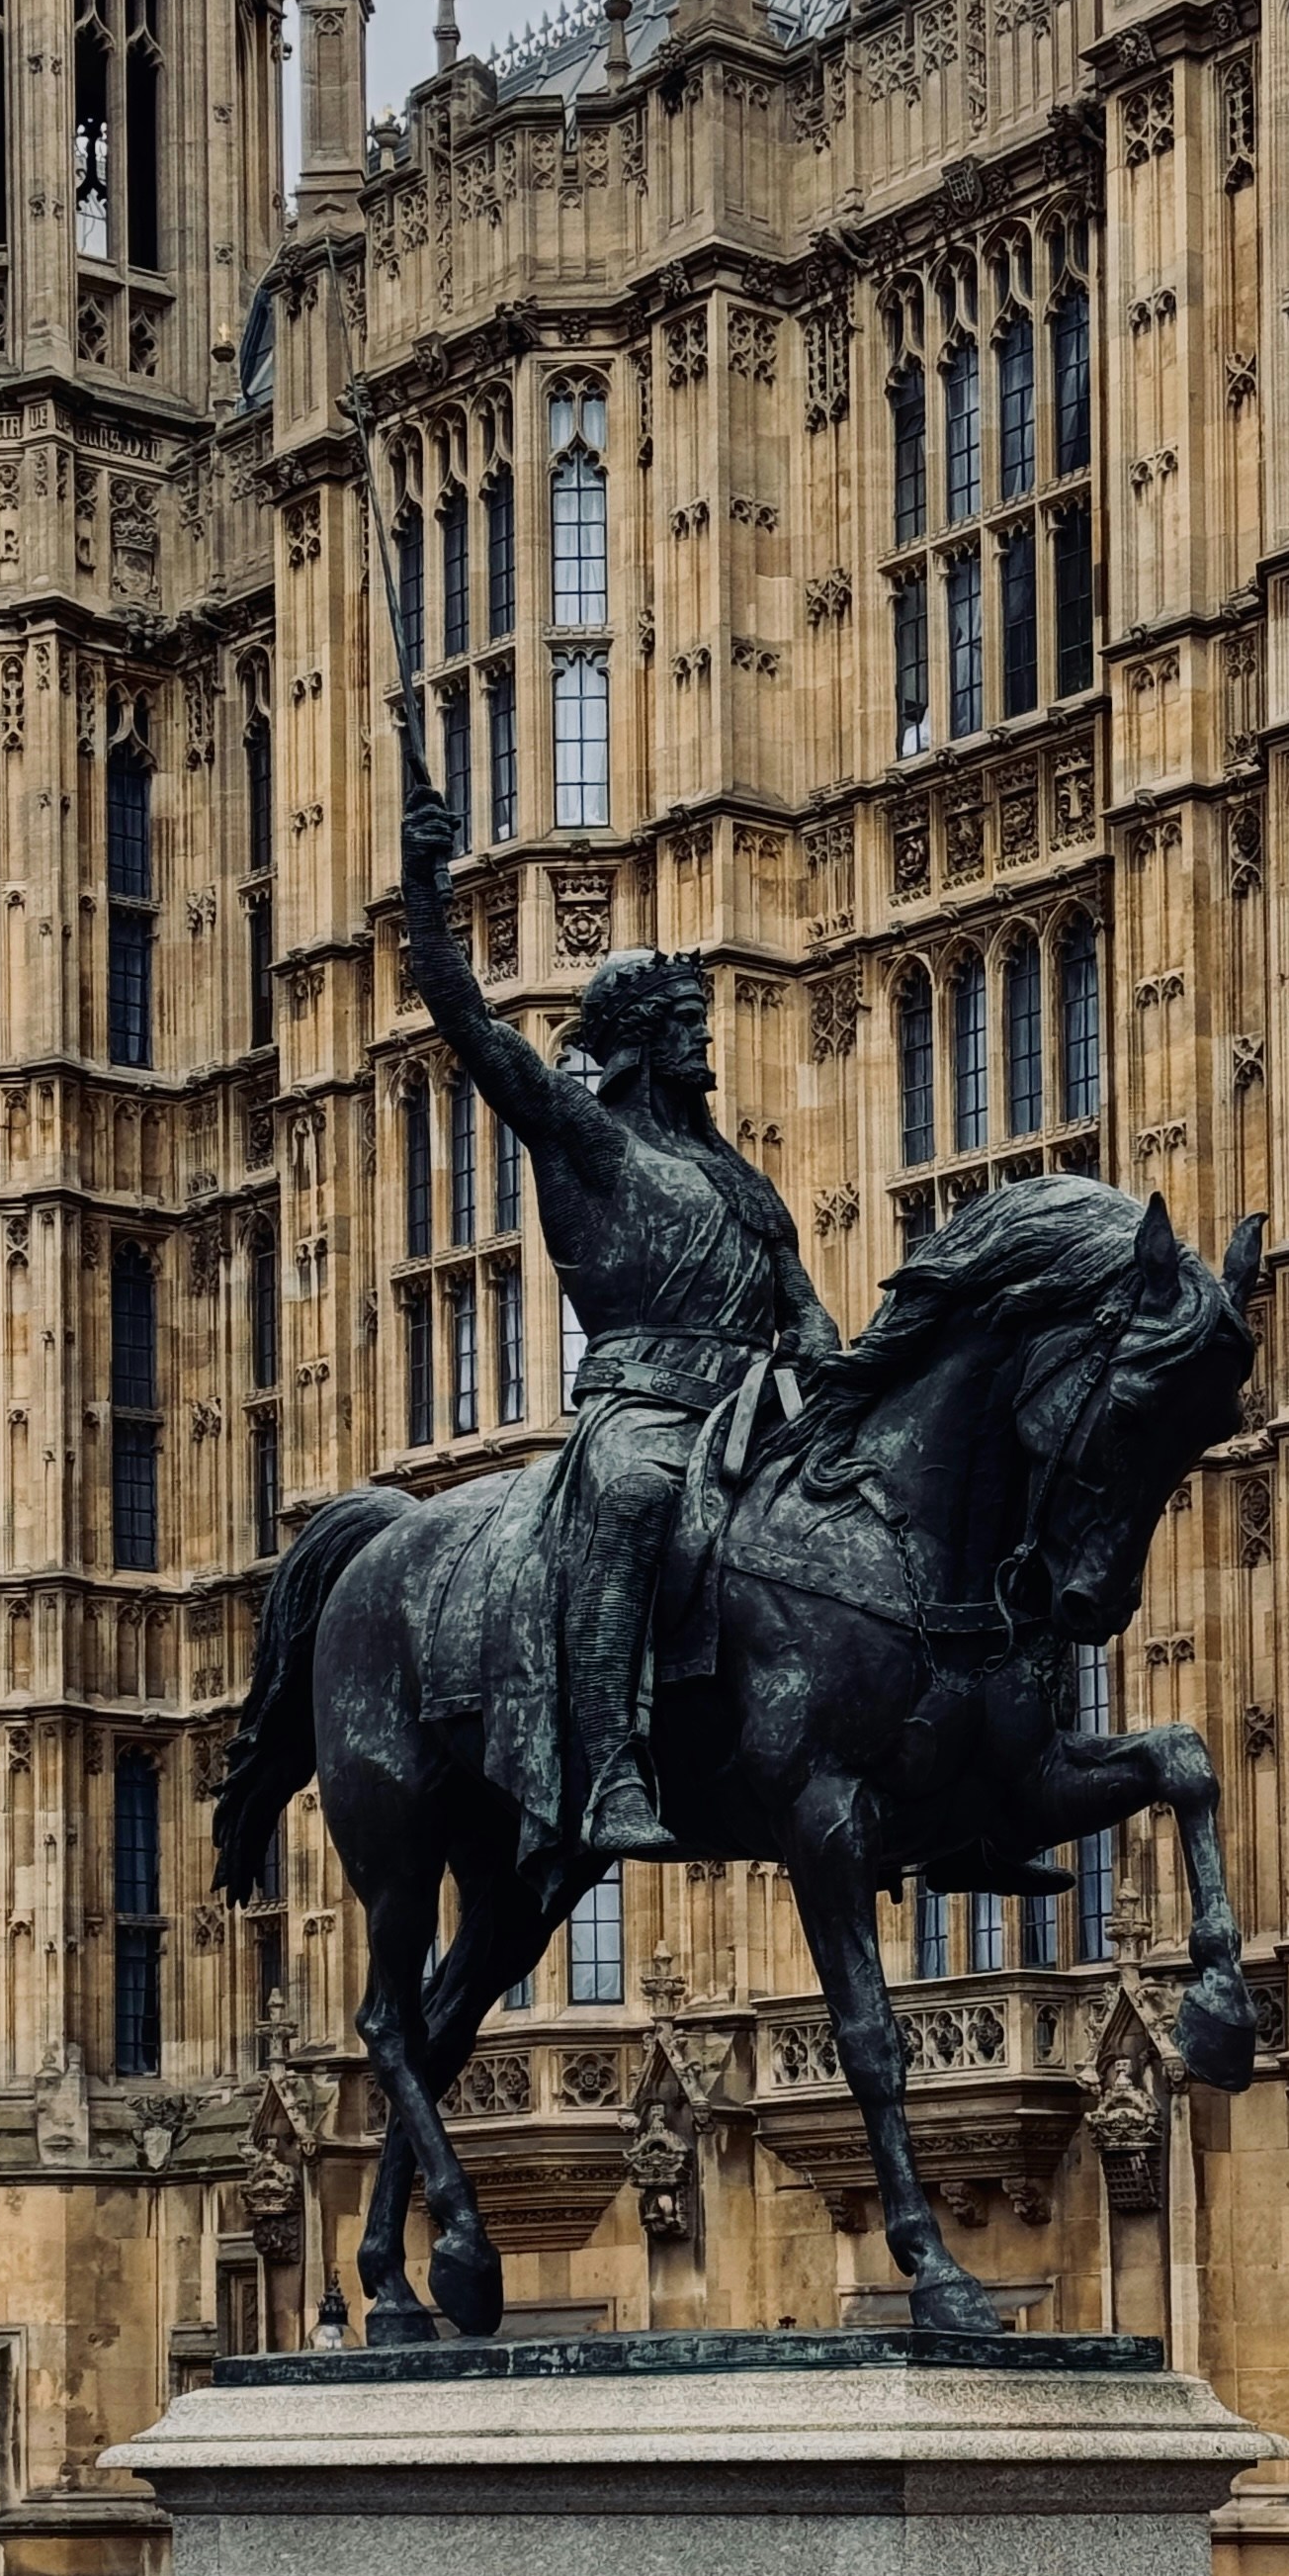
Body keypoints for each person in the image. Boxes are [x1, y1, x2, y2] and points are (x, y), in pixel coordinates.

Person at [398, 773, 839, 1859]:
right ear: (640, 1038)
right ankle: (610, 1770)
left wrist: (838, 1374)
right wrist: (423, 879)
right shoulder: (591, 1142)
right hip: (642, 1406)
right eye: (688, 1024)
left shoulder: (735, 1174)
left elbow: (805, 1311)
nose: (706, 1042)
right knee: (635, 1499)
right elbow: (464, 1018)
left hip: (755, 1408)